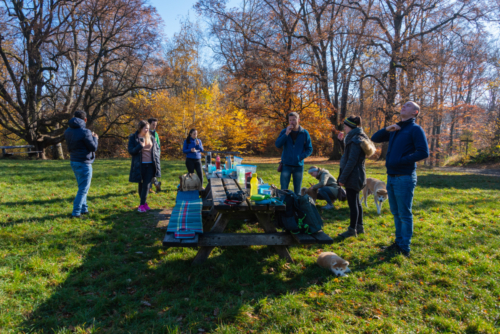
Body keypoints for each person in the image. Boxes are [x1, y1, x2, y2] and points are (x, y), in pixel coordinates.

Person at [371, 101, 429, 257]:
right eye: (403, 104)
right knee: (396, 213)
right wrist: (387, 129)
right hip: (391, 177)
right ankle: (398, 243)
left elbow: (423, 152)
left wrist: (401, 160)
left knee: (404, 214)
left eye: (408, 105)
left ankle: (405, 248)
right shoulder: (396, 128)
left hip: (405, 177)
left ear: (415, 112)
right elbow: (375, 138)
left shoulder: (415, 129)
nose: (404, 106)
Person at [337, 116, 368, 238]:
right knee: (356, 202)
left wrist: (342, 178)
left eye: (345, 125)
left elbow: (351, 161)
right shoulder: (355, 137)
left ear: (351, 126)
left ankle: (351, 230)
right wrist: (341, 142)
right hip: (356, 174)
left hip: (354, 175)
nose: (344, 127)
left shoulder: (356, 140)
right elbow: (348, 154)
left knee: (353, 204)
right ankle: (359, 227)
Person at [64, 110, 99, 219]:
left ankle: (84, 209)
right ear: (85, 119)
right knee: (83, 189)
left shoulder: (67, 131)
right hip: (84, 162)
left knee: (82, 187)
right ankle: (76, 212)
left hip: (74, 161)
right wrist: (95, 138)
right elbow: (93, 147)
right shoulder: (85, 132)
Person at [275, 112, 313, 195]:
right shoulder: (284, 131)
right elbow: (278, 145)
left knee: (297, 191)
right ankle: (284, 206)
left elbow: (309, 149)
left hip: (298, 166)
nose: (292, 122)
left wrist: (300, 157)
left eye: (294, 120)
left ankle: (296, 206)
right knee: (284, 190)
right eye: (290, 120)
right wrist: (286, 134)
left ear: (298, 120)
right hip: (286, 165)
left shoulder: (304, 133)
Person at [128, 120, 161, 213]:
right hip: (139, 165)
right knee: (141, 184)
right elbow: (131, 151)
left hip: (150, 164)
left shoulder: (151, 137)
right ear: (140, 128)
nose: (147, 129)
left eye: (148, 128)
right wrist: (139, 146)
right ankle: (144, 203)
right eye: (145, 128)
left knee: (147, 184)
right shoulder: (134, 138)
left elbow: (156, 148)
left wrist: (157, 157)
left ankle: (141, 205)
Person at [148, 118, 161, 192]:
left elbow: (158, 146)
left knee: (152, 172)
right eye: (153, 125)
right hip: (147, 156)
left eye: (155, 125)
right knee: (149, 172)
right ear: (149, 124)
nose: (154, 126)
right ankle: (154, 185)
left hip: (154, 157)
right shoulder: (146, 133)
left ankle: (154, 185)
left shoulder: (156, 134)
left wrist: (158, 155)